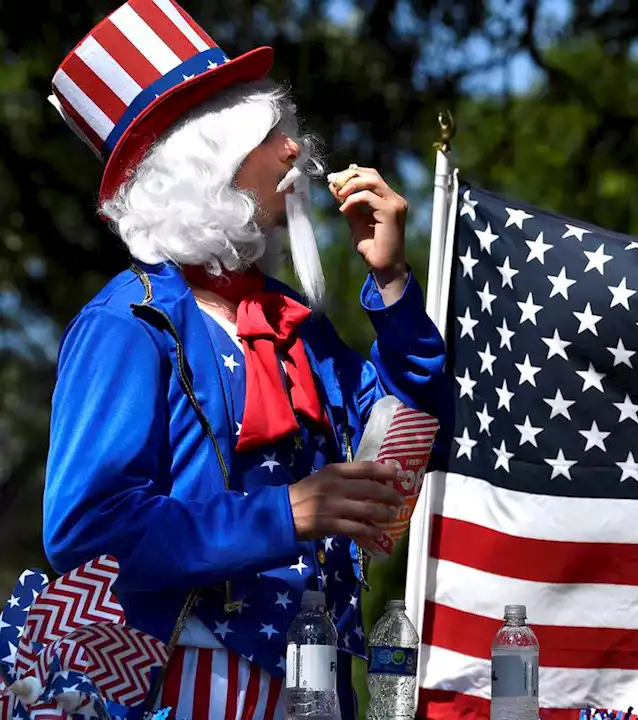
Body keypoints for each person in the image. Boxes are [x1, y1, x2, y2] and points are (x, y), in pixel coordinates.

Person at [40, 2, 450, 718]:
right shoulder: (125, 324)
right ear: (207, 162)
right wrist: (287, 512)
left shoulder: (287, 322)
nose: (294, 153)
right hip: (185, 685)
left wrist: (390, 285)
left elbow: (411, 430)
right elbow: (87, 535)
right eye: (269, 137)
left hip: (319, 683)